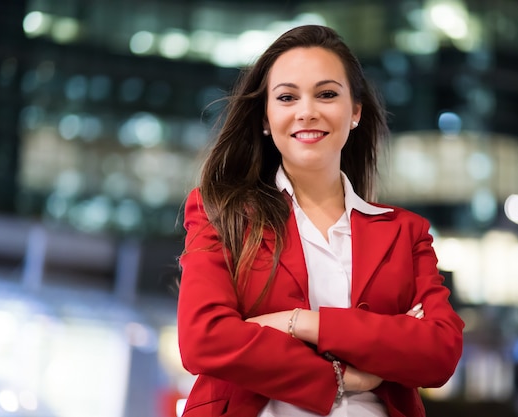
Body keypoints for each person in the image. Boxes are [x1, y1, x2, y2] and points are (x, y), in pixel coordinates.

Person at [177, 24, 464, 417]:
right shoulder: (219, 213)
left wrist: (300, 323)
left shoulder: (405, 233)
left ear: (355, 112)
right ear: (265, 117)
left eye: (327, 94)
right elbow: (204, 340)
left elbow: (438, 353)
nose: (307, 111)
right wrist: (343, 374)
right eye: (287, 97)